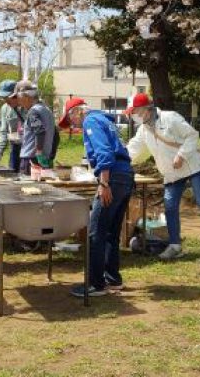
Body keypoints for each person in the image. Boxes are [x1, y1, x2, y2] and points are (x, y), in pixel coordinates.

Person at [125, 93, 200, 260]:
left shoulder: (170, 118)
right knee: (170, 206)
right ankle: (174, 245)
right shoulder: (143, 129)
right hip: (171, 172)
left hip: (192, 165)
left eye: (136, 111)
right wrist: (119, 159)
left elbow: (192, 135)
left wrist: (181, 155)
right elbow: (133, 148)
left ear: (146, 110)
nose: (134, 115)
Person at [60, 97, 134, 297]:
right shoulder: (105, 120)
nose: (73, 125)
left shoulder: (91, 121)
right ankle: (113, 279)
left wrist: (104, 183)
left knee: (96, 231)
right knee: (111, 231)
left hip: (113, 179)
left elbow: (104, 152)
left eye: (71, 119)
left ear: (78, 112)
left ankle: (95, 284)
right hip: (126, 175)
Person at [14, 80, 55, 175]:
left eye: (19, 98)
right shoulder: (47, 110)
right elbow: (55, 135)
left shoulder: (33, 112)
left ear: (26, 97)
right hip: (44, 157)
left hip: (31, 158)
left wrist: (39, 152)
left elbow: (40, 131)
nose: (19, 102)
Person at [0, 80, 23, 171]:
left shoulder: (28, 106)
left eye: (7, 97)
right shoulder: (4, 109)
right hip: (15, 146)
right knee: (13, 173)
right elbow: (3, 132)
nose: (5, 100)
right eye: (3, 97)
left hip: (30, 148)